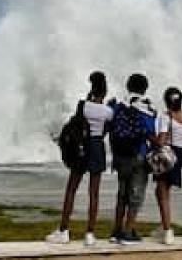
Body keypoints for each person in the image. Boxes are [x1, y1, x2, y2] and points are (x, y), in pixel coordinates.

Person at [46, 71, 114, 246]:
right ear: (104, 92)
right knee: (94, 193)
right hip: (97, 147)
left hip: (81, 147)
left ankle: (64, 230)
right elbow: (106, 130)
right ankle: (90, 233)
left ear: (91, 88)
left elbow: (77, 123)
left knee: (71, 190)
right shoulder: (108, 111)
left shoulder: (83, 105)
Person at [108, 73, 159, 245]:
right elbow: (151, 134)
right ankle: (128, 231)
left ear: (128, 86)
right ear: (145, 88)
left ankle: (116, 230)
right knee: (136, 194)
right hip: (139, 154)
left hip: (120, 155)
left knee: (122, 194)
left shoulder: (119, 105)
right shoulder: (147, 108)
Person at [153, 87, 182, 245]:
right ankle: (165, 225)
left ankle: (168, 231)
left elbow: (161, 141)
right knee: (163, 191)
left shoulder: (166, 116)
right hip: (180, 153)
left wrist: (149, 137)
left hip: (167, 154)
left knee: (162, 193)